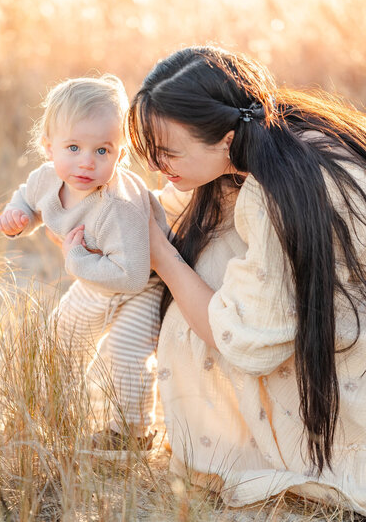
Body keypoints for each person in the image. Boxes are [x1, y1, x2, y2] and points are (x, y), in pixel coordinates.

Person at [127, 46, 366, 512]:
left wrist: (162, 260)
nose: (156, 165)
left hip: (348, 368)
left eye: (168, 152)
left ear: (225, 138)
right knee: (208, 247)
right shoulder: (293, 135)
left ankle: (226, 444)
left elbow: (244, 339)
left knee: (190, 304)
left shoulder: (274, 198)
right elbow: (181, 207)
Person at [0, 75, 167, 455]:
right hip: (97, 273)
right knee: (61, 337)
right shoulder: (47, 178)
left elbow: (133, 275)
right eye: (73, 147)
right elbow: (28, 197)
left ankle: (132, 432)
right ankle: (51, 410)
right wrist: (18, 215)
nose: (86, 162)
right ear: (49, 147)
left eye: (102, 151)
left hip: (142, 282)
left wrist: (75, 260)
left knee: (127, 350)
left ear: (120, 155)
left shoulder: (117, 208)